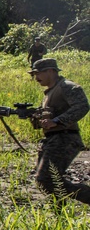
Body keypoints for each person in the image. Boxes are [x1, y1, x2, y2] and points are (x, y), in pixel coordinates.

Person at [29, 58, 90, 205]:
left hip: (65, 139)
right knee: (45, 180)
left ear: (51, 71)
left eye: (38, 73)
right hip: (52, 140)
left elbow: (82, 106)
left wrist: (56, 121)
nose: (35, 77)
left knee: (46, 179)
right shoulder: (49, 93)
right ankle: (60, 215)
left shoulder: (67, 87)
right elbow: (46, 121)